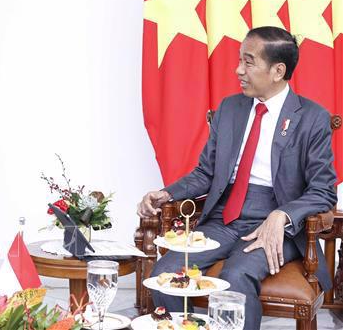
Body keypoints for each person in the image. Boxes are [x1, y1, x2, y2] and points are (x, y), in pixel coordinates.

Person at [137, 26, 337, 330]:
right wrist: (167, 194)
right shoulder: (230, 108)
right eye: (239, 60)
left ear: (277, 70)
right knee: (165, 273)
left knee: (236, 276)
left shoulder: (312, 118)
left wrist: (282, 215)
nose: (238, 70)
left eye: (248, 61)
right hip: (224, 217)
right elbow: (207, 172)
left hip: (275, 225)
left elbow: (323, 192)